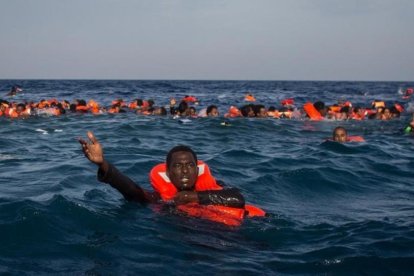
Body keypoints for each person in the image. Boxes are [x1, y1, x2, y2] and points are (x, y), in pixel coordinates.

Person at [78, 132, 264, 225]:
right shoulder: (160, 200)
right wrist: (102, 164)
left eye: (190, 165)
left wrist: (194, 198)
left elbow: (238, 199)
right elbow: (130, 189)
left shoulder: (214, 189)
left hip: (237, 237)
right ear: (168, 173)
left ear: (197, 170)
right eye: (177, 166)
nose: (184, 171)